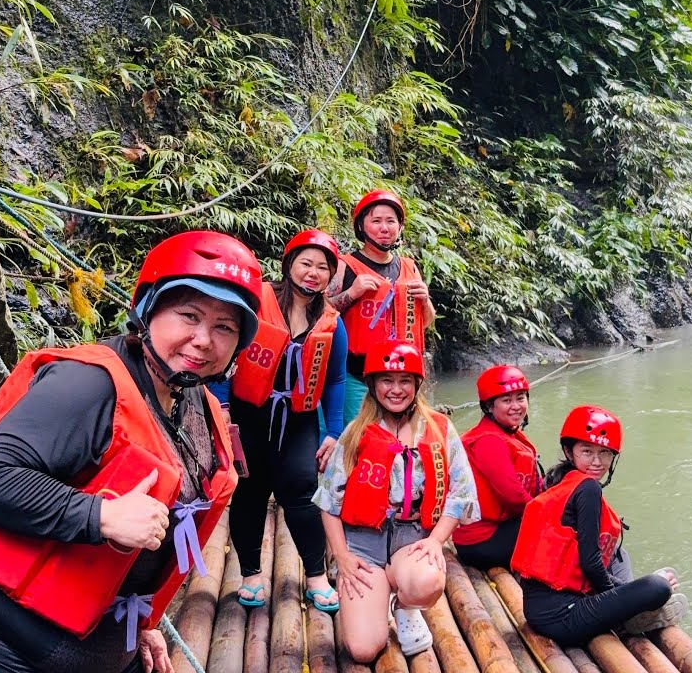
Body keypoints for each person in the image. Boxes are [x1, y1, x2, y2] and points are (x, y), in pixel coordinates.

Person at [0, 231, 263, 673]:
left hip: (90, 628)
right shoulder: (89, 384)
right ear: (149, 310)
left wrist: (139, 620)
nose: (204, 339)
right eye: (188, 315)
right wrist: (102, 516)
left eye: (224, 327)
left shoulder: (194, 402)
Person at [314, 340, 479, 662]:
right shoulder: (355, 433)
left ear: (418, 384)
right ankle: (381, 592)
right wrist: (342, 557)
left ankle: (405, 607)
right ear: (372, 384)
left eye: (405, 380)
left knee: (426, 581)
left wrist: (436, 541)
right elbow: (328, 503)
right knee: (363, 650)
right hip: (363, 543)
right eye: (386, 380)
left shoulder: (440, 429)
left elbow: (461, 493)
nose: (396, 389)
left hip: (412, 538)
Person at [209, 229, 348, 613]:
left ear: (330, 276)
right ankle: (251, 575)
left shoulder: (332, 322)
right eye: (305, 263)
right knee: (250, 492)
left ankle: (316, 577)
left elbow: (335, 380)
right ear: (288, 265)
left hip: (299, 419)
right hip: (248, 415)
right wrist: (221, 406)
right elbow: (225, 351)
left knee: (302, 491)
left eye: (323, 267)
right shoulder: (255, 303)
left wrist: (333, 430)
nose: (313, 273)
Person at [512, 405, 689, 645]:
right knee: (658, 586)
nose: (597, 461)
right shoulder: (588, 488)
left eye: (605, 453)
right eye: (587, 451)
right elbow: (590, 563)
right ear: (568, 450)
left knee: (619, 554)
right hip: (563, 615)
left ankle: (630, 601)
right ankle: (633, 613)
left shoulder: (561, 479)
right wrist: (621, 596)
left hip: (541, 608)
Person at [325, 189, 436, 425]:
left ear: (399, 227)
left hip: (402, 375)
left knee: (401, 442)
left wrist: (425, 301)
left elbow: (425, 322)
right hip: (357, 374)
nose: (384, 228)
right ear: (362, 227)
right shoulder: (346, 266)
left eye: (390, 221)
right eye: (376, 221)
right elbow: (318, 314)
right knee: (359, 440)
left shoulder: (409, 267)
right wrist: (351, 293)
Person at [453, 365, 543, 569]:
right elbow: (513, 497)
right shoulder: (488, 441)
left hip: (497, 530)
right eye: (506, 400)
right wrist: (550, 517)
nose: (516, 406)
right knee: (560, 534)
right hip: (483, 540)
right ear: (489, 407)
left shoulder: (508, 434)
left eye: (520, 398)